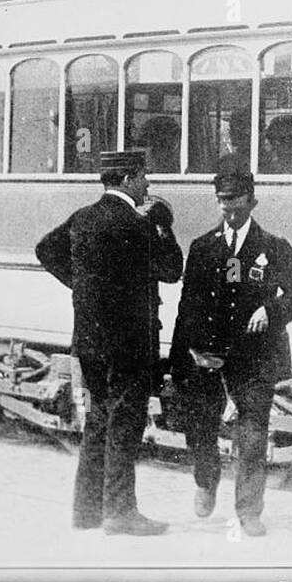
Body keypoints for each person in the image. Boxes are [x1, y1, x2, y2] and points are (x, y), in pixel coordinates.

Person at [35, 150, 184, 535]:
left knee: (98, 422)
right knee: (125, 426)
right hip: (129, 346)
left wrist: (83, 286)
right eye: (144, 177)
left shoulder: (83, 218)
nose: (148, 184)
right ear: (129, 179)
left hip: (88, 343)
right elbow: (172, 269)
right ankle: (120, 513)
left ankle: (86, 513)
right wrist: (163, 223)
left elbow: (45, 249)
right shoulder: (138, 225)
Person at [167, 153, 292, 537]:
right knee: (200, 428)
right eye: (222, 200)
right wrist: (180, 359)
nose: (228, 207)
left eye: (234, 200)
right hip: (207, 354)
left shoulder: (273, 248)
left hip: (255, 357)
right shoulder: (202, 248)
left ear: (251, 200)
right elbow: (187, 307)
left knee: (252, 437)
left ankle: (249, 511)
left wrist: (272, 309)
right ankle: (206, 477)